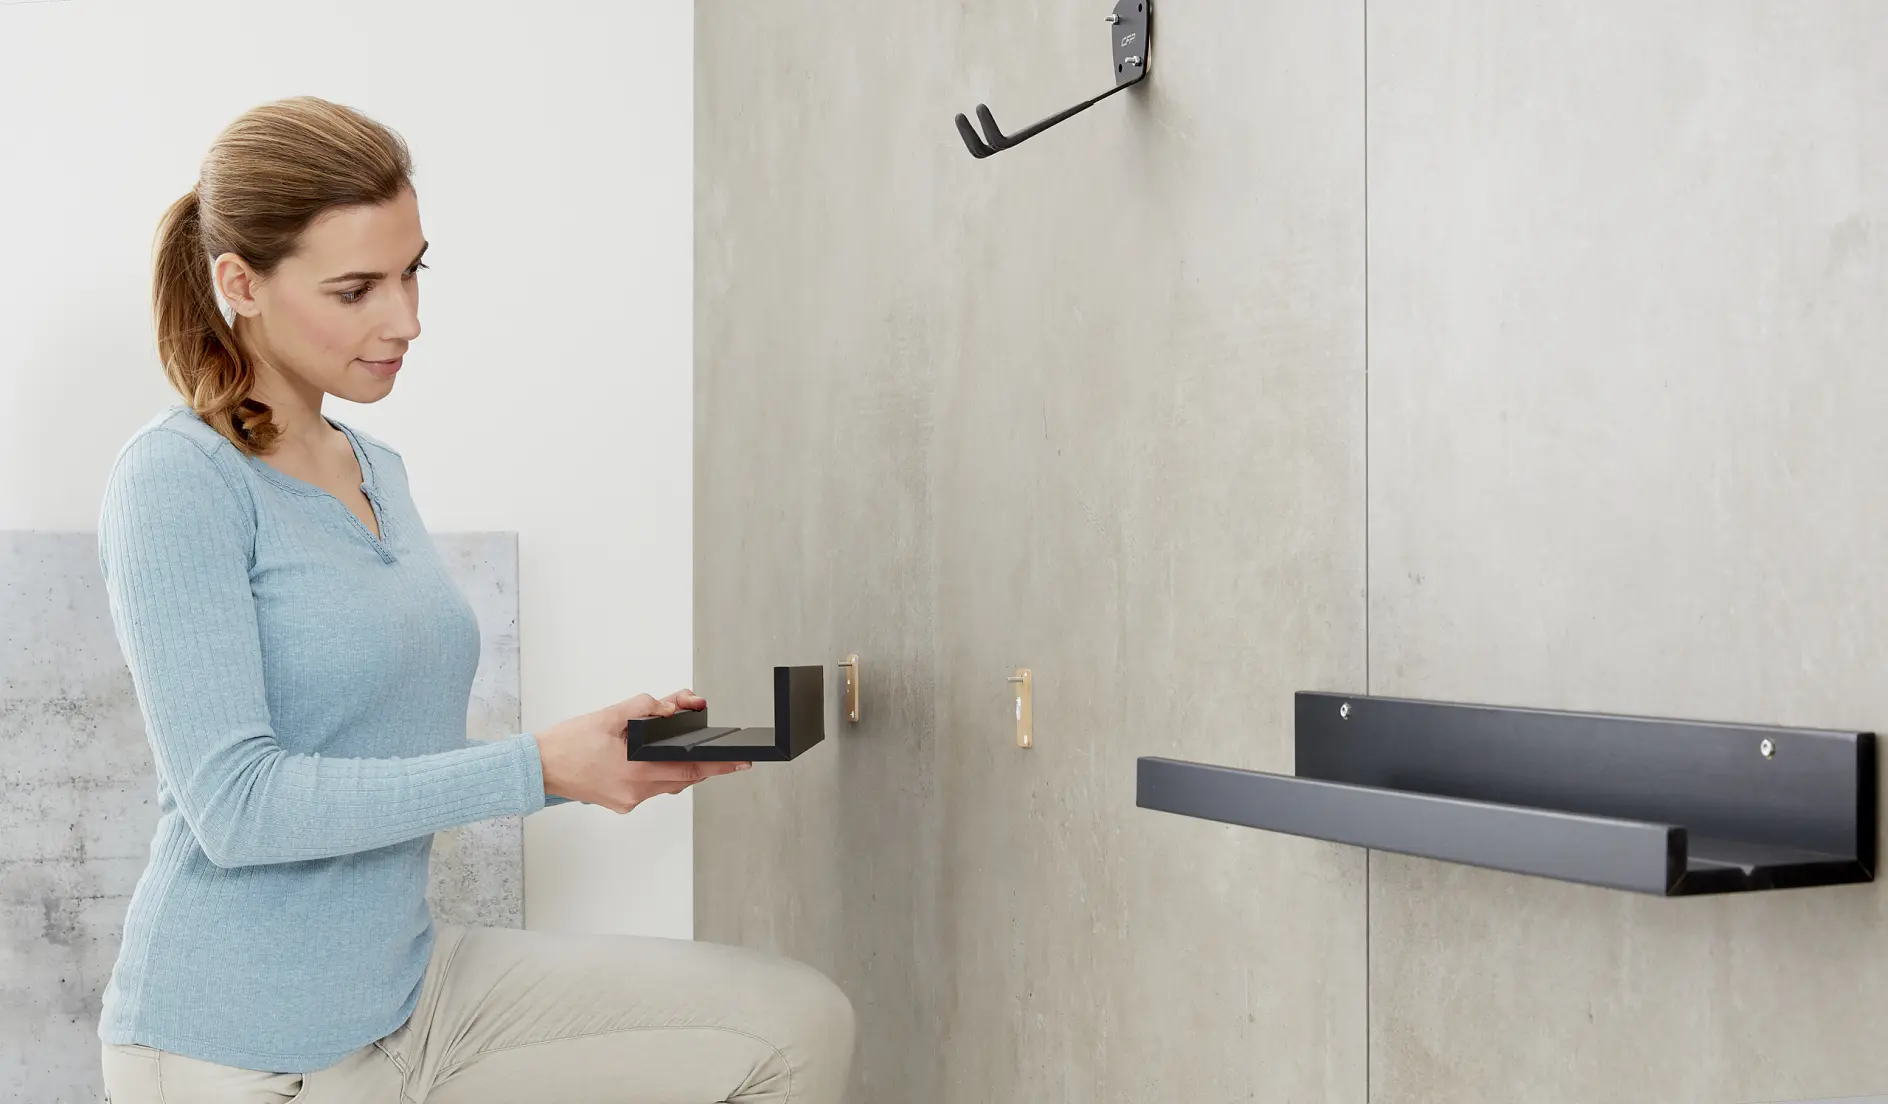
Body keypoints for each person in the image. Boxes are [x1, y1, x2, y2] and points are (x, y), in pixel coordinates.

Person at [94, 96, 854, 1104]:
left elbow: (382, 740)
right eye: (357, 288)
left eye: (412, 272)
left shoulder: (377, 467)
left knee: (793, 1025)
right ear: (240, 283)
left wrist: (596, 749)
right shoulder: (178, 480)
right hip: (238, 1049)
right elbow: (239, 809)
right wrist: (540, 769)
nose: (405, 319)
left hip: (410, 992)